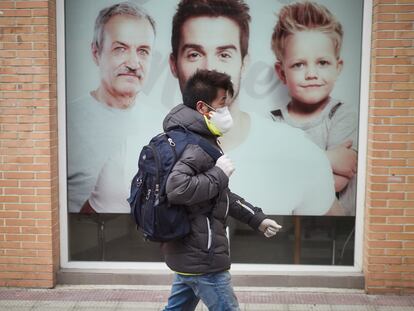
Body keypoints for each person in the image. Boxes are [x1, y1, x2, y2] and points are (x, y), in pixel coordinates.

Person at [168, 0, 336, 216]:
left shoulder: (300, 153)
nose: (209, 68)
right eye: (194, 54)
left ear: (245, 63)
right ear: (174, 64)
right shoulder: (140, 154)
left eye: (224, 54)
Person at [161, 69, 282, 311]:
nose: (227, 110)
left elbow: (219, 195)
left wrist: (256, 218)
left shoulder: (191, 138)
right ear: (203, 108)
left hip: (189, 254)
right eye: (222, 103)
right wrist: (219, 173)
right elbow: (177, 189)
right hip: (204, 258)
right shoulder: (195, 145)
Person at [66, 2, 161, 214]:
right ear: (95, 52)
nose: (134, 63)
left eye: (143, 51)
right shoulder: (65, 123)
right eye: (120, 49)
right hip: (83, 243)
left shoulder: (161, 126)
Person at [270, 1, 358, 216]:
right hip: (283, 232)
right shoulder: (271, 122)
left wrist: (288, 167)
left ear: (338, 68)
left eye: (322, 62)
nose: (311, 73)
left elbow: (338, 181)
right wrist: (327, 159)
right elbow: (271, 184)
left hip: (337, 230)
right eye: (299, 64)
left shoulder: (343, 115)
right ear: (282, 73)